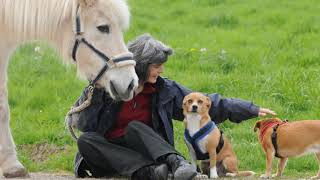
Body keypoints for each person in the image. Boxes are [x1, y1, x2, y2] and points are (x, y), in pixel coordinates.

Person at [73, 34, 276, 180]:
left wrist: (249, 109)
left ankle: (176, 164)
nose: (161, 70)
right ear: (141, 64)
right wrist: (97, 90)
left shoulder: (164, 89)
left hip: (147, 149)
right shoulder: (110, 85)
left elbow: (207, 104)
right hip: (111, 154)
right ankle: (148, 173)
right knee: (86, 140)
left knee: (134, 126)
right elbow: (82, 123)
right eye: (156, 65)